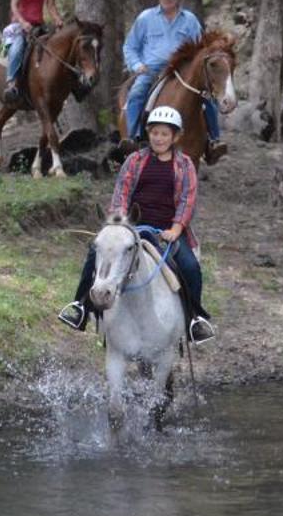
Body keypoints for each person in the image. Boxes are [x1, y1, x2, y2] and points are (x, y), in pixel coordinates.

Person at [56, 105, 216, 345]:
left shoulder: (185, 165)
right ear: (148, 133)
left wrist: (176, 228)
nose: (159, 138)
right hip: (131, 227)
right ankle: (80, 306)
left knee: (190, 267)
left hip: (168, 230)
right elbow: (122, 193)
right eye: (154, 133)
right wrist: (120, 224)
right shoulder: (134, 160)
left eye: (164, 134)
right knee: (94, 252)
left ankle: (195, 319)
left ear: (175, 136)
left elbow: (187, 199)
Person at [121, 0, 205, 144]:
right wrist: (137, 65)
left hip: (182, 70)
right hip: (151, 70)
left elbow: (201, 48)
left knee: (208, 97)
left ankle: (213, 140)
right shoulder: (145, 18)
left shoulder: (190, 20)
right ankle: (132, 137)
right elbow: (130, 46)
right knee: (137, 93)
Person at [2, 0, 56, 104]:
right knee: (18, 47)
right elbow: (14, 5)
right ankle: (12, 83)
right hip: (21, 24)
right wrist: (23, 22)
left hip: (39, 25)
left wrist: (58, 20)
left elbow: (51, 6)